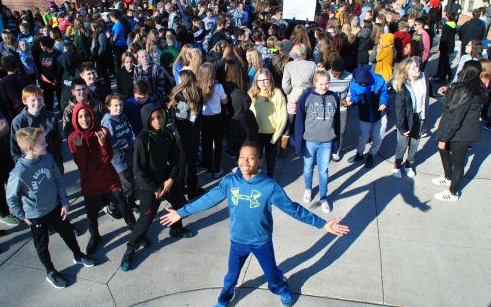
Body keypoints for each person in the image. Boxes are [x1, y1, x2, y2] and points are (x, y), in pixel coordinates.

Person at [159, 142, 350, 307]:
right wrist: (181, 212)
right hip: (237, 242)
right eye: (242, 157)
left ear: (260, 161)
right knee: (231, 278)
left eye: (251, 158)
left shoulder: (269, 186)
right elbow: (207, 199)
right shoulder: (230, 182)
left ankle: (281, 288)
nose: (245, 162)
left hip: (261, 242)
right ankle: (224, 299)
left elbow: (293, 209)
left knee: (272, 275)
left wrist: (323, 224)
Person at [6, 127, 95, 289]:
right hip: (36, 215)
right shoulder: (19, 172)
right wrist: (21, 215)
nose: (46, 144)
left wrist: (65, 202)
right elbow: (11, 198)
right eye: (42, 143)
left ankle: (78, 254)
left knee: (67, 232)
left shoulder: (47, 158)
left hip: (55, 207)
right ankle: (50, 271)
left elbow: (58, 180)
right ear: (31, 148)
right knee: (42, 245)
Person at [120, 103, 195, 271]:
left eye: (159, 117)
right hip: (150, 187)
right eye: (152, 119)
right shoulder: (142, 139)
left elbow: (176, 160)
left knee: (180, 205)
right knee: (146, 219)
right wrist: (155, 188)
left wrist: (170, 180)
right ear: (147, 121)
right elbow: (138, 171)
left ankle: (176, 229)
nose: (157, 121)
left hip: (166, 181)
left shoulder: (167, 134)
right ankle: (131, 248)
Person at [68, 102, 136, 255]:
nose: (84, 119)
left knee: (123, 206)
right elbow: (81, 165)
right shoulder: (73, 138)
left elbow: (107, 159)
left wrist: (103, 144)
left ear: (92, 115)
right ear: (75, 119)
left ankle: (134, 228)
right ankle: (95, 236)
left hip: (108, 178)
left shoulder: (102, 131)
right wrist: (80, 148)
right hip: (90, 182)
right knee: (91, 214)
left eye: (86, 115)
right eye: (80, 116)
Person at [433, 61, 487, 201]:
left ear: (466, 72)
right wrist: (449, 91)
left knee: (458, 163)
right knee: (444, 151)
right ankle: (447, 176)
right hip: (460, 131)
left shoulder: (466, 92)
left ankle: (452, 193)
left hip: (462, 133)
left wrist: (444, 138)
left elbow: (456, 119)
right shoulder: (476, 86)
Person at [295, 70, 340, 213]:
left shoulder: (334, 97)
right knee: (308, 168)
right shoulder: (306, 97)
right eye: (321, 83)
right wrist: (298, 142)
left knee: (323, 171)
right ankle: (308, 188)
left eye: (327, 83)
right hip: (310, 141)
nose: (324, 86)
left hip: (327, 141)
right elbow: (299, 121)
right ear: (315, 83)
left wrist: (336, 143)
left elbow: (337, 122)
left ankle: (323, 197)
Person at [168, 70, 204, 200]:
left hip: (179, 133)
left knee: (181, 162)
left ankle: (180, 188)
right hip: (192, 133)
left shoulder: (176, 93)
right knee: (192, 161)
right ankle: (192, 189)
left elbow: (174, 116)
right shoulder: (197, 92)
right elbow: (197, 115)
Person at [10, 85, 64, 172]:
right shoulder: (18, 122)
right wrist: (23, 167)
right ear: (24, 101)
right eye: (33, 100)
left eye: (40, 99)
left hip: (51, 163)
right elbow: (15, 150)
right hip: (30, 167)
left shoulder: (51, 117)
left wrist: (58, 163)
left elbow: (57, 142)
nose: (37, 103)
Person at [344, 67, 389, 169]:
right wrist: (352, 101)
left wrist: (383, 102)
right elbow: (355, 96)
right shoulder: (354, 83)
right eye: (361, 83)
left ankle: (372, 154)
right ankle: (359, 154)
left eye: (365, 82)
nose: (363, 84)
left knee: (378, 136)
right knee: (363, 136)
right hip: (365, 113)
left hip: (380, 112)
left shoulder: (378, 79)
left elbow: (384, 92)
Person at [391, 58, 429, 179]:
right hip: (407, 119)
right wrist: (402, 127)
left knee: (414, 144)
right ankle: (397, 165)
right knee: (402, 145)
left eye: (417, 66)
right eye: (414, 68)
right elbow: (399, 108)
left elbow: (430, 92)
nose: (417, 69)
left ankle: (409, 165)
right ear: (406, 71)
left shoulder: (423, 78)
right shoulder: (402, 85)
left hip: (419, 117)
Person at [101, 93, 138, 212]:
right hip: (119, 160)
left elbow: (131, 131)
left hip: (129, 156)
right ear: (108, 107)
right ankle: (119, 207)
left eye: (121, 105)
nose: (119, 108)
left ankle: (130, 203)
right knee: (127, 186)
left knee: (131, 182)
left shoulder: (123, 116)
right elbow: (111, 142)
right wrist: (128, 143)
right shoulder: (108, 121)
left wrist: (132, 140)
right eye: (115, 105)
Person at [248, 68, 287, 177]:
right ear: (256, 81)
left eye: (265, 80)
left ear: (270, 79)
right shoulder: (252, 94)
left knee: (270, 159)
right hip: (257, 133)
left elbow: (283, 117)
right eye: (260, 80)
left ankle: (270, 179)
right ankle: (258, 178)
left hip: (272, 134)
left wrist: (275, 137)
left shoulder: (277, 93)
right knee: (256, 159)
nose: (263, 83)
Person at [280, 43, 316, 157]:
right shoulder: (312, 64)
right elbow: (315, 82)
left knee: (288, 124)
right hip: (308, 98)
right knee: (305, 123)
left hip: (292, 98)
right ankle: (301, 147)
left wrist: (289, 92)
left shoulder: (289, 66)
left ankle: (282, 150)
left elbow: (285, 86)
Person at [198, 63, 228, 178]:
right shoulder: (218, 87)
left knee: (206, 144)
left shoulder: (198, 87)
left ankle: (209, 168)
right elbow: (225, 101)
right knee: (218, 144)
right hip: (216, 118)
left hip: (204, 119)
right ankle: (216, 169)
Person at [0, 106, 19, 227]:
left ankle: (19, 206)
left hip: (4, 153)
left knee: (13, 182)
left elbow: (6, 128)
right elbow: (2, 129)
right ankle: (4, 214)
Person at [327, 58, 352, 161]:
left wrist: (347, 100)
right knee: (328, 128)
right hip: (329, 106)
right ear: (331, 69)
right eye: (335, 74)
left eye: (339, 74)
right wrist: (335, 101)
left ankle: (337, 149)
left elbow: (351, 92)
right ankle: (328, 148)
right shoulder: (326, 76)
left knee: (341, 130)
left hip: (343, 107)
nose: (337, 76)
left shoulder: (349, 76)